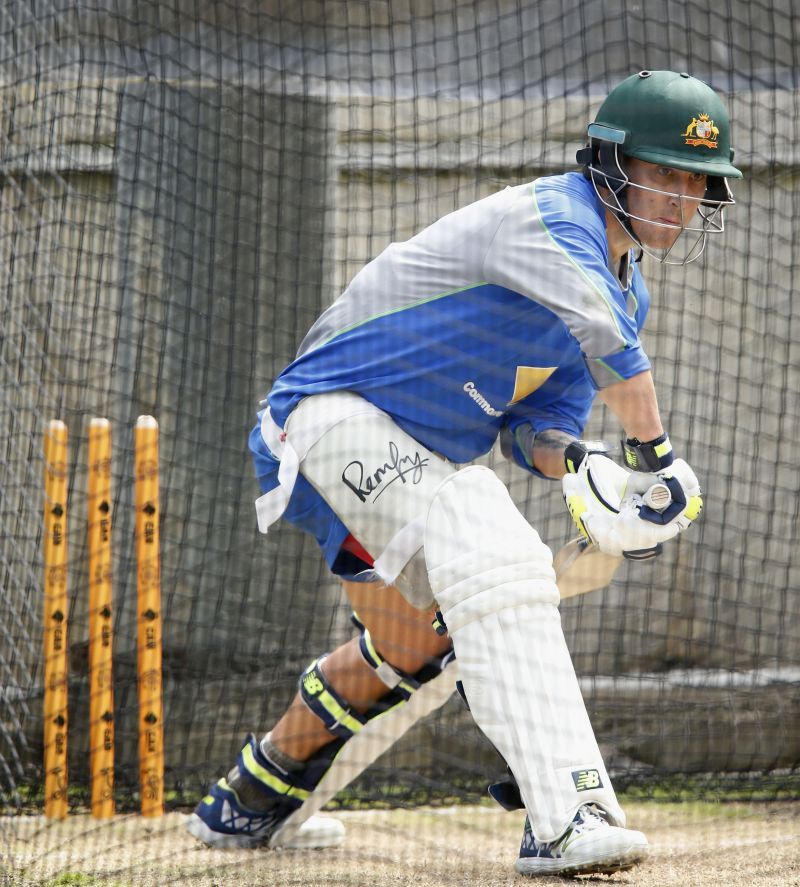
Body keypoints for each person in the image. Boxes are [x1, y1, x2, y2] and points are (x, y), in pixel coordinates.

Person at [186, 70, 740, 877]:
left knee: (419, 643)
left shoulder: (628, 289)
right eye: (663, 172)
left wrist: (583, 464)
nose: (680, 199)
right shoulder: (553, 219)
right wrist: (654, 460)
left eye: (697, 182)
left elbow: (534, 428)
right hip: (326, 413)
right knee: (492, 545)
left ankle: (249, 798)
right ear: (610, 163)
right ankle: (565, 814)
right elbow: (608, 347)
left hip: (411, 458)